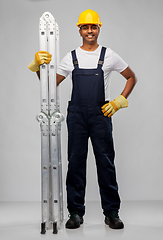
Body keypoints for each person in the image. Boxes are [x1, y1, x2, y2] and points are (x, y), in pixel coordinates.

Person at [28, 9, 137, 230]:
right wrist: (36, 67)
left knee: (105, 163)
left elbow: (131, 77)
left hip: (100, 115)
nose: (89, 30)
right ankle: (75, 213)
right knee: (75, 163)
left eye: (93, 27)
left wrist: (119, 100)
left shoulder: (109, 55)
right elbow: (49, 85)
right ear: (79, 30)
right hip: (77, 116)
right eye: (85, 27)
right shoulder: (71, 57)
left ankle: (112, 212)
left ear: (99, 28)